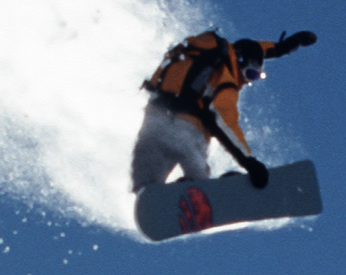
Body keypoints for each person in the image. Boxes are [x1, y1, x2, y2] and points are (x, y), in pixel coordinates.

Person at [131, 29, 317, 197]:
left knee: (146, 188)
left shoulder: (201, 54)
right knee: (199, 183)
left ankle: (148, 196)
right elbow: (225, 121)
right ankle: (201, 187)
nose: (247, 82)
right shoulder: (225, 77)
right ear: (241, 63)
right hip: (186, 132)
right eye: (250, 74)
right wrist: (249, 162)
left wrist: (285, 47)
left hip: (153, 125)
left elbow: (258, 48)